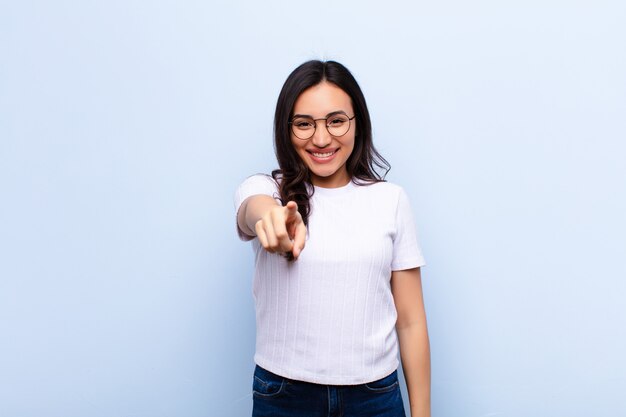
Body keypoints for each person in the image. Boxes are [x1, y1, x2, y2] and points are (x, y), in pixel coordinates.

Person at [234, 60, 430, 417]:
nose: (321, 139)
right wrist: (272, 221)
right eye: (304, 124)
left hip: (375, 396)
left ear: (358, 124)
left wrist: (422, 414)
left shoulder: (391, 200)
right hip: (284, 394)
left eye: (336, 121)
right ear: (286, 129)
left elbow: (411, 320)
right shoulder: (268, 189)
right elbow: (254, 210)